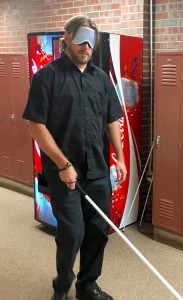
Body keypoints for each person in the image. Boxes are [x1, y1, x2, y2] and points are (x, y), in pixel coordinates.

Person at [22, 15, 127, 300]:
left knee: (97, 232)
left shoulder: (102, 79)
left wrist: (119, 157)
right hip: (63, 173)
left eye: (91, 40)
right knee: (72, 233)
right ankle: (63, 283)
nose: (86, 45)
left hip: (96, 171)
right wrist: (64, 165)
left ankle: (88, 286)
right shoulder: (47, 77)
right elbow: (36, 125)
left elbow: (111, 119)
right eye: (80, 38)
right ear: (67, 38)